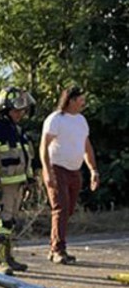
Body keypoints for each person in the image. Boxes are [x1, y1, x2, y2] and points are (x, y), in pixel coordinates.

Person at [0, 87, 37, 275]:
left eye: (22, 110)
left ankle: (8, 257)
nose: (21, 113)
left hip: (16, 184)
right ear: (6, 109)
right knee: (1, 223)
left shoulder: (16, 130)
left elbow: (25, 155)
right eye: (17, 110)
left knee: (10, 222)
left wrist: (28, 179)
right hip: (2, 185)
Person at [40, 86, 99, 264]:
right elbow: (44, 146)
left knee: (69, 209)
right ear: (71, 100)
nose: (84, 102)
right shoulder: (56, 119)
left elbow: (86, 146)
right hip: (57, 168)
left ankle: (54, 247)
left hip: (75, 170)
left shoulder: (81, 120)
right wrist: (47, 171)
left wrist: (93, 170)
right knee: (61, 208)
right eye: (81, 99)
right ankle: (58, 250)